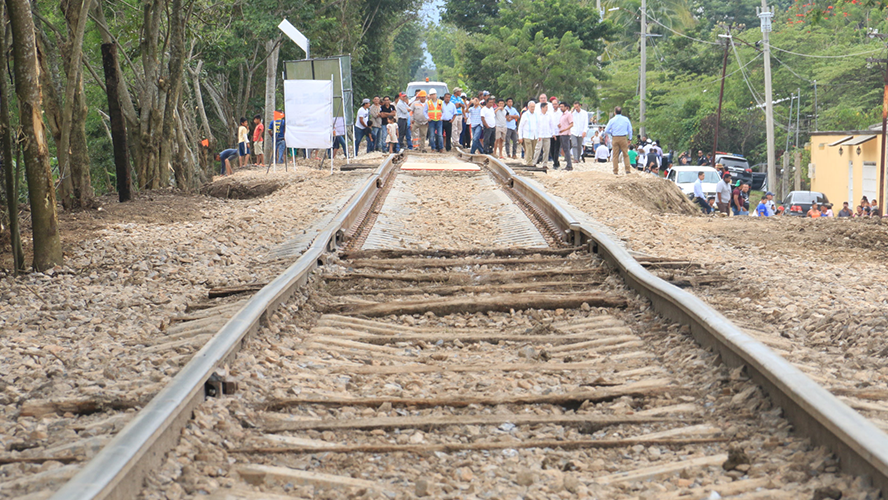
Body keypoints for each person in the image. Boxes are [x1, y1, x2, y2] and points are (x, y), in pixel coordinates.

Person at [604, 106, 633, 175]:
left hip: (615, 138)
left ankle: (615, 171)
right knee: (625, 154)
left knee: (615, 155)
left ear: (615, 113)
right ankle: (627, 170)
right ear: (621, 112)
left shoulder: (612, 120)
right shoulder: (626, 119)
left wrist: (612, 133)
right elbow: (630, 130)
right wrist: (630, 138)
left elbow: (606, 130)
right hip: (623, 137)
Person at [518, 101, 538, 166]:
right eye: (531, 107)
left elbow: (538, 125)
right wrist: (520, 137)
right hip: (527, 135)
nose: (532, 108)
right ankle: (529, 163)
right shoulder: (525, 115)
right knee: (528, 149)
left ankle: (530, 161)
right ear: (528, 107)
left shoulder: (536, 115)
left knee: (533, 150)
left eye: (533, 107)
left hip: (534, 135)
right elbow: (521, 126)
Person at [534, 102, 553, 168]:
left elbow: (551, 125)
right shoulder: (538, 115)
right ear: (542, 108)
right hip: (540, 135)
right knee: (538, 149)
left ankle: (545, 164)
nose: (547, 109)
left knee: (546, 150)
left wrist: (552, 133)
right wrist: (537, 134)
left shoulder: (549, 115)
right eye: (546, 107)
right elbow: (536, 126)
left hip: (547, 134)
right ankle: (534, 162)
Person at [557, 102, 574, 170]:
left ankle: (569, 165)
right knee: (564, 149)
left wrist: (564, 130)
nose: (561, 108)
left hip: (565, 134)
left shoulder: (568, 114)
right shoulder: (562, 115)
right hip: (561, 134)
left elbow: (571, 124)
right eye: (560, 107)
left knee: (566, 149)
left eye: (562, 107)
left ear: (566, 107)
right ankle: (568, 164)